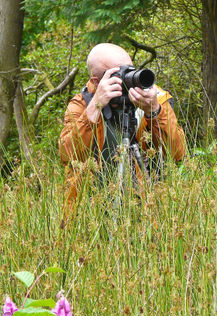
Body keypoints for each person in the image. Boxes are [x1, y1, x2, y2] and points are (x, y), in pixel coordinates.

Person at [59, 43, 186, 216]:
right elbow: (68, 155)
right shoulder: (82, 104)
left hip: (148, 209)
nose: (129, 79)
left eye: (130, 70)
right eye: (119, 74)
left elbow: (177, 153)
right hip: (94, 211)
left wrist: (154, 111)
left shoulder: (153, 98)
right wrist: (96, 105)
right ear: (97, 81)